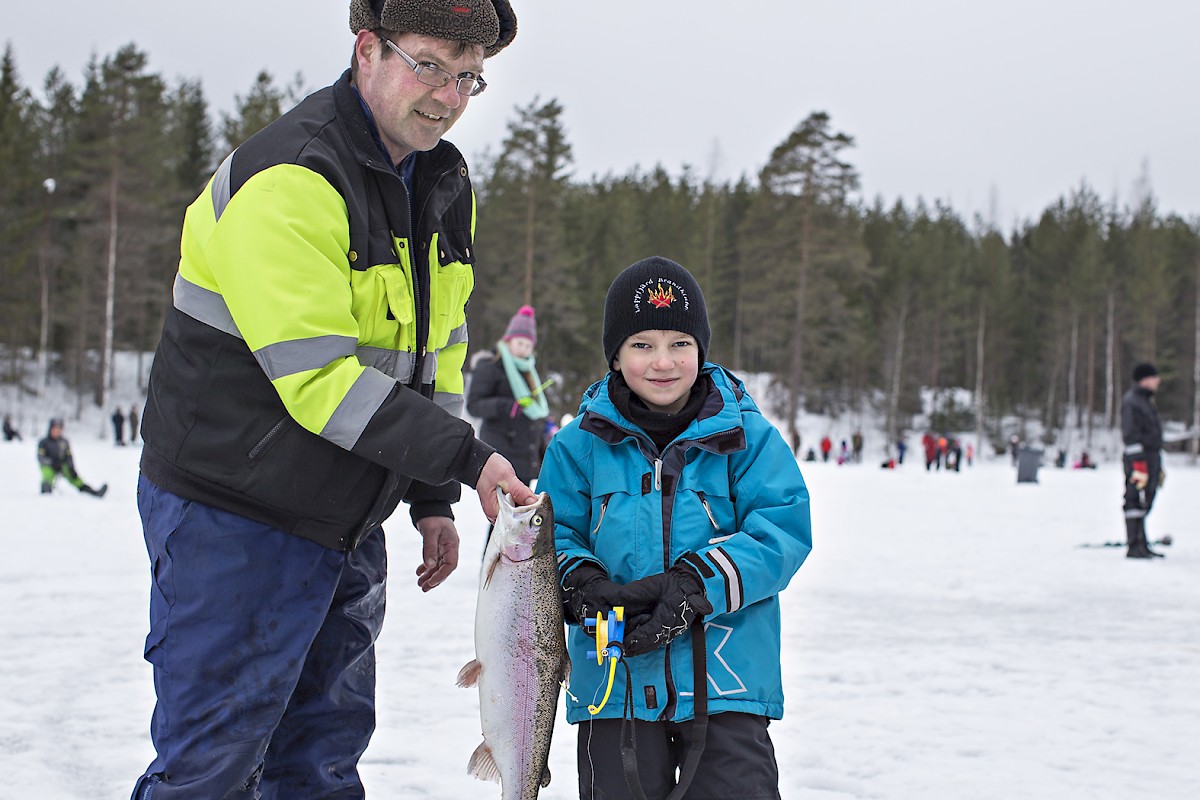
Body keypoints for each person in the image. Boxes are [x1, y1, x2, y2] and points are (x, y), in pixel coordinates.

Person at [130, 2, 529, 798]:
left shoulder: (442, 183)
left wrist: (430, 496)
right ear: (367, 49)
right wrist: (467, 456)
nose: (448, 96)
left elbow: (435, 352)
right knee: (211, 769)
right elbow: (322, 383)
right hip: (234, 521)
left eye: (468, 78)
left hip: (343, 521)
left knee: (319, 762)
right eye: (428, 65)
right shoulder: (294, 178)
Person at [538, 257, 812, 799]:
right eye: (642, 344)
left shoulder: (748, 438)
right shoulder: (576, 447)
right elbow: (548, 538)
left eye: (679, 344)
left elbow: (781, 532)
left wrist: (695, 585)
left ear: (701, 350)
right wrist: (582, 585)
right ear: (615, 356)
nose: (663, 362)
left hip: (725, 688)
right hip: (613, 685)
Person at [466, 304, 549, 486]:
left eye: (528, 345)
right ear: (508, 340)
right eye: (520, 343)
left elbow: (534, 413)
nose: (523, 349)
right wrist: (506, 406)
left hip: (526, 459)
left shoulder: (529, 371)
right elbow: (474, 405)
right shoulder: (489, 366)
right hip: (499, 455)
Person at [1121, 362, 1165, 559]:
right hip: (1139, 459)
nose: (1158, 381)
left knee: (1146, 498)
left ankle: (1142, 542)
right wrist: (1138, 462)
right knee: (1134, 498)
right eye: (1155, 377)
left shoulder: (1146, 401)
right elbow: (1131, 433)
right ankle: (1134, 544)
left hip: (1151, 458)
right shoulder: (1132, 402)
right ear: (1145, 379)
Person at [37, 418, 107, 497]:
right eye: (55, 429)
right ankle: (46, 490)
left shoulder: (64, 442)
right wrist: (51, 462)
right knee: (47, 475)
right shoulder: (44, 442)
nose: (57, 431)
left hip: (62, 465)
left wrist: (71, 467)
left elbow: (69, 456)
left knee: (73, 476)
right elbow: (40, 457)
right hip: (48, 465)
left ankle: (92, 492)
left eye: (59, 429)